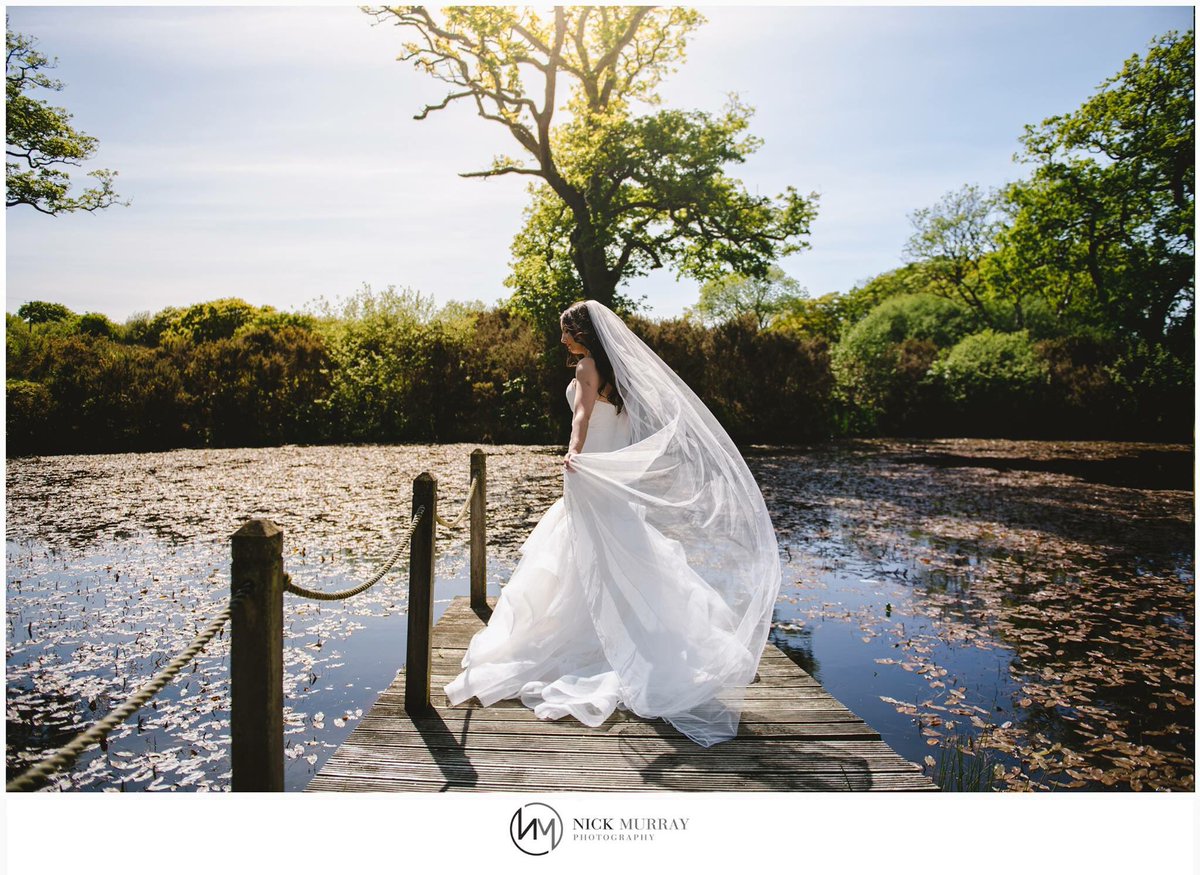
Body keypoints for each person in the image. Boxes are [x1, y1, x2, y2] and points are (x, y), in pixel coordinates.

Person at [444, 299, 781, 747]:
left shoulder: (586, 369)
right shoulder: (623, 376)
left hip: (589, 474)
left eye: (567, 331)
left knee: (579, 558)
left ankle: (595, 647)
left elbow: (581, 414)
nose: (563, 339)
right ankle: (632, 642)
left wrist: (574, 454)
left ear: (583, 334)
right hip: (613, 482)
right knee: (621, 560)